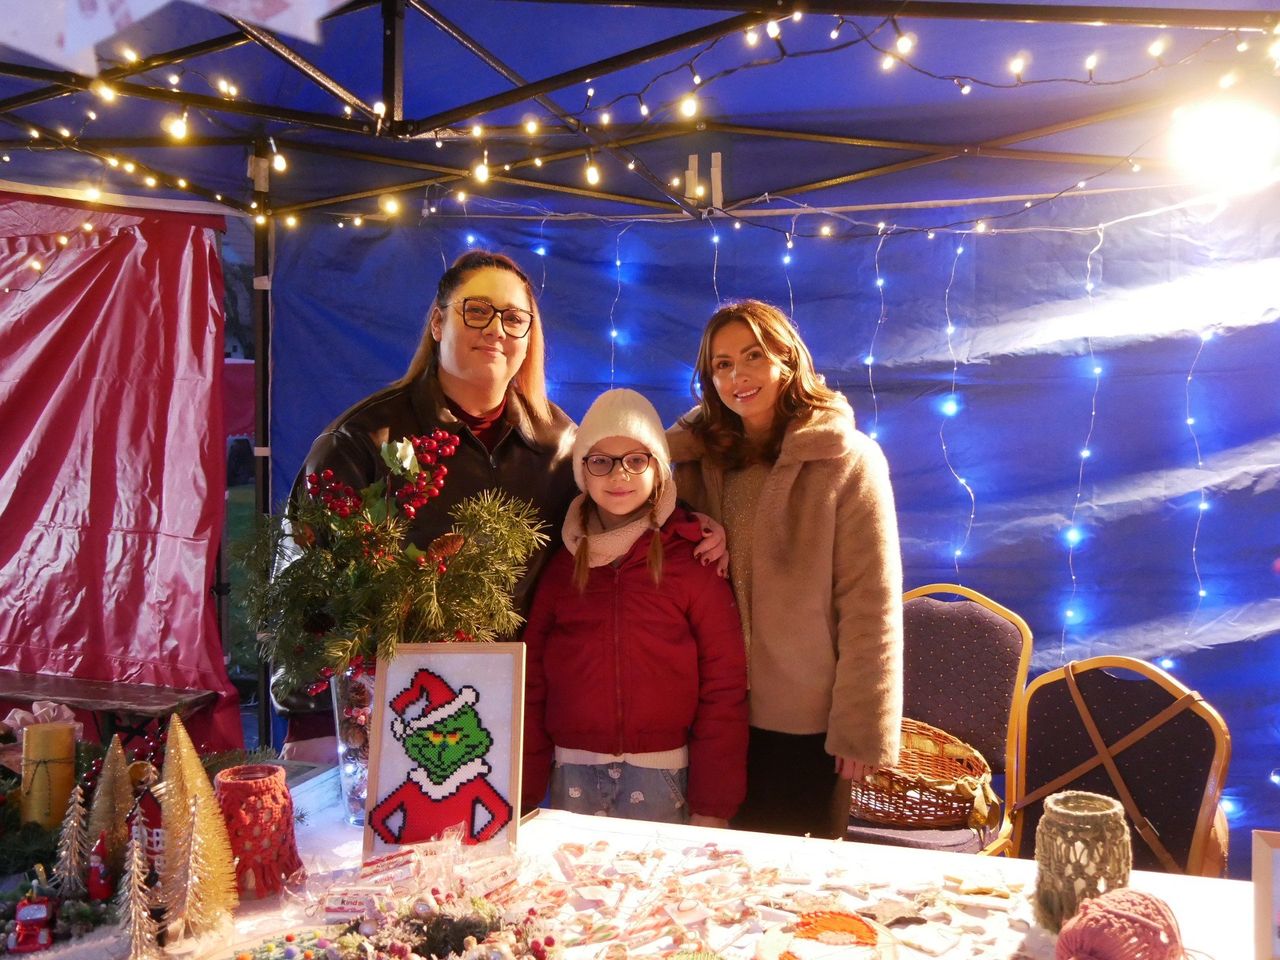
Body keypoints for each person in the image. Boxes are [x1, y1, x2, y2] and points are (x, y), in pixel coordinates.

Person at [279, 250, 578, 760]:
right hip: (379, 715)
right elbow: (300, 586)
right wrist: (311, 721)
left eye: (514, 318)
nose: (497, 330)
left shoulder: (559, 446)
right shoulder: (362, 439)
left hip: (506, 715)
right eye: (477, 310)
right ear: (438, 322)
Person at [667, 299, 904, 839]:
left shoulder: (849, 461)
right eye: (722, 364)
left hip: (805, 721)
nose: (738, 375)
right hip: (710, 711)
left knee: (792, 891)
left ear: (786, 357)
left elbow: (871, 603)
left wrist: (861, 727)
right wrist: (697, 525)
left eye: (753, 355)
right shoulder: (691, 461)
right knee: (709, 883)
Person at [521, 389, 748, 826]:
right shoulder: (562, 566)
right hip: (573, 772)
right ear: (582, 471)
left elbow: (724, 687)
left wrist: (713, 805)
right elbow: (532, 684)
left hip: (665, 775)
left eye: (635, 459)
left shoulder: (692, 559)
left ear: (658, 469)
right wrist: (526, 791)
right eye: (600, 460)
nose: (618, 474)